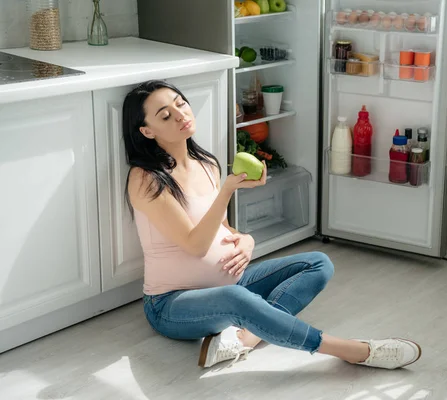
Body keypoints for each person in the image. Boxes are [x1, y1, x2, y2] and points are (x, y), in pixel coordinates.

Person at [122, 80, 422, 369]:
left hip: (228, 283)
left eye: (181, 104)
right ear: (147, 131)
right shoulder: (146, 179)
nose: (180, 115)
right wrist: (228, 190)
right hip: (171, 304)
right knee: (236, 298)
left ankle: (247, 338)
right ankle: (354, 351)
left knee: (318, 263)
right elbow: (196, 245)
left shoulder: (207, 163)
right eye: (165, 115)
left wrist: (246, 240)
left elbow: (223, 229)